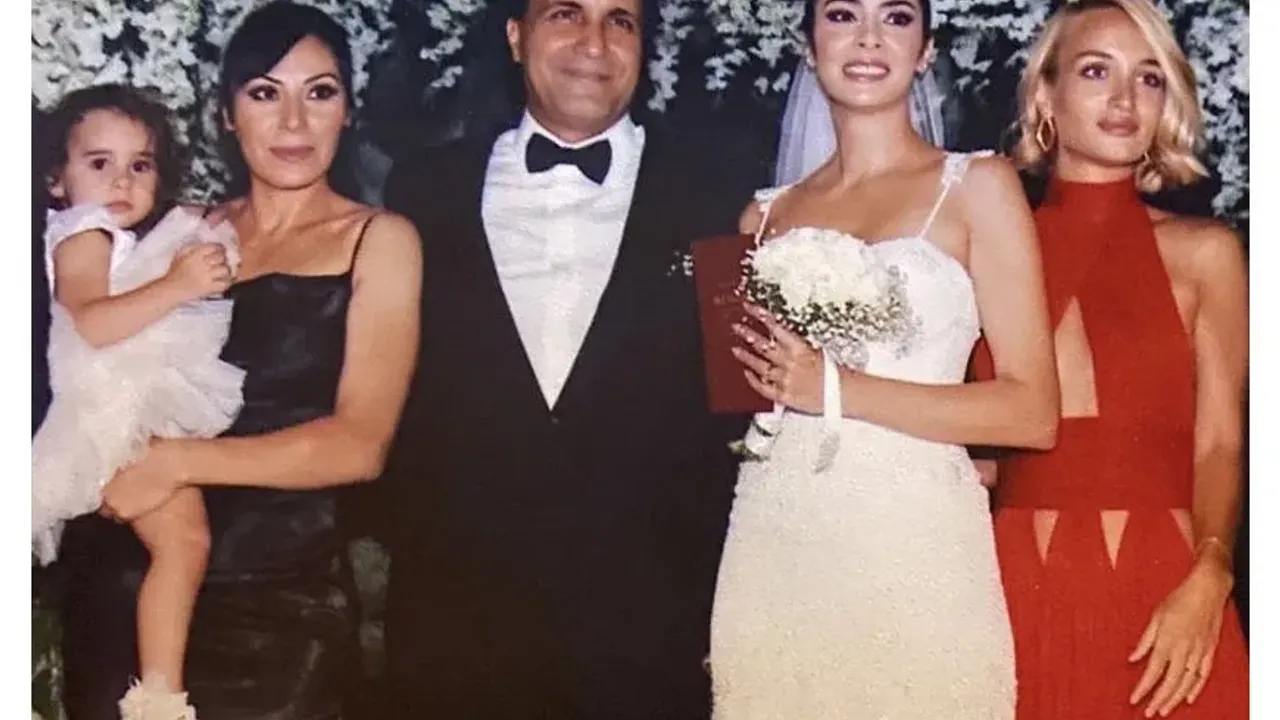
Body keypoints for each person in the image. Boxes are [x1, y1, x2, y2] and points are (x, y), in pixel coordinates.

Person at [380, 0, 766, 716]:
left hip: (646, 638)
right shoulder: (423, 188)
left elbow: (743, 412)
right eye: (566, 13)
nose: (595, 42)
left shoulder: (718, 193)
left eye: (621, 20)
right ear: (515, 36)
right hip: (456, 630)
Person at [57, 3, 422, 718]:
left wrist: (175, 461)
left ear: (349, 110)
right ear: (227, 114)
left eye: (320, 92)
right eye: (264, 93)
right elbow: (84, 356)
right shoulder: (178, 230)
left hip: (279, 616)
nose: (293, 122)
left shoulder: (379, 240)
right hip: (127, 598)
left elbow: (360, 445)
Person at [708, 0, 1060, 717]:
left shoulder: (978, 186)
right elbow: (741, 412)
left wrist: (838, 388)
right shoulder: (760, 219)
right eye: (842, 15)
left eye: (896, 18)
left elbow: (1032, 412)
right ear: (808, 45)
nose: (868, 38)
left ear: (925, 51)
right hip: (777, 542)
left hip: (917, 544)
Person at [976, 1, 1249, 717]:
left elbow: (1220, 441)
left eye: (1149, 78)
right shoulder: (982, 253)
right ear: (1046, 96)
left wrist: (1212, 574)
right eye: (1097, 71)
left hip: (1168, 603)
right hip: (1007, 601)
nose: (1126, 99)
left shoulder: (1208, 254)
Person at [33, 84, 244, 719]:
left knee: (185, 545)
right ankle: (158, 701)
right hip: (110, 415)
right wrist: (180, 283)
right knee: (185, 545)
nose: (122, 180)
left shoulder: (106, 232)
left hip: (125, 406)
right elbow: (94, 323)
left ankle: (158, 695)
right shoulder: (82, 234)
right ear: (56, 180)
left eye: (141, 164)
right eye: (99, 163)